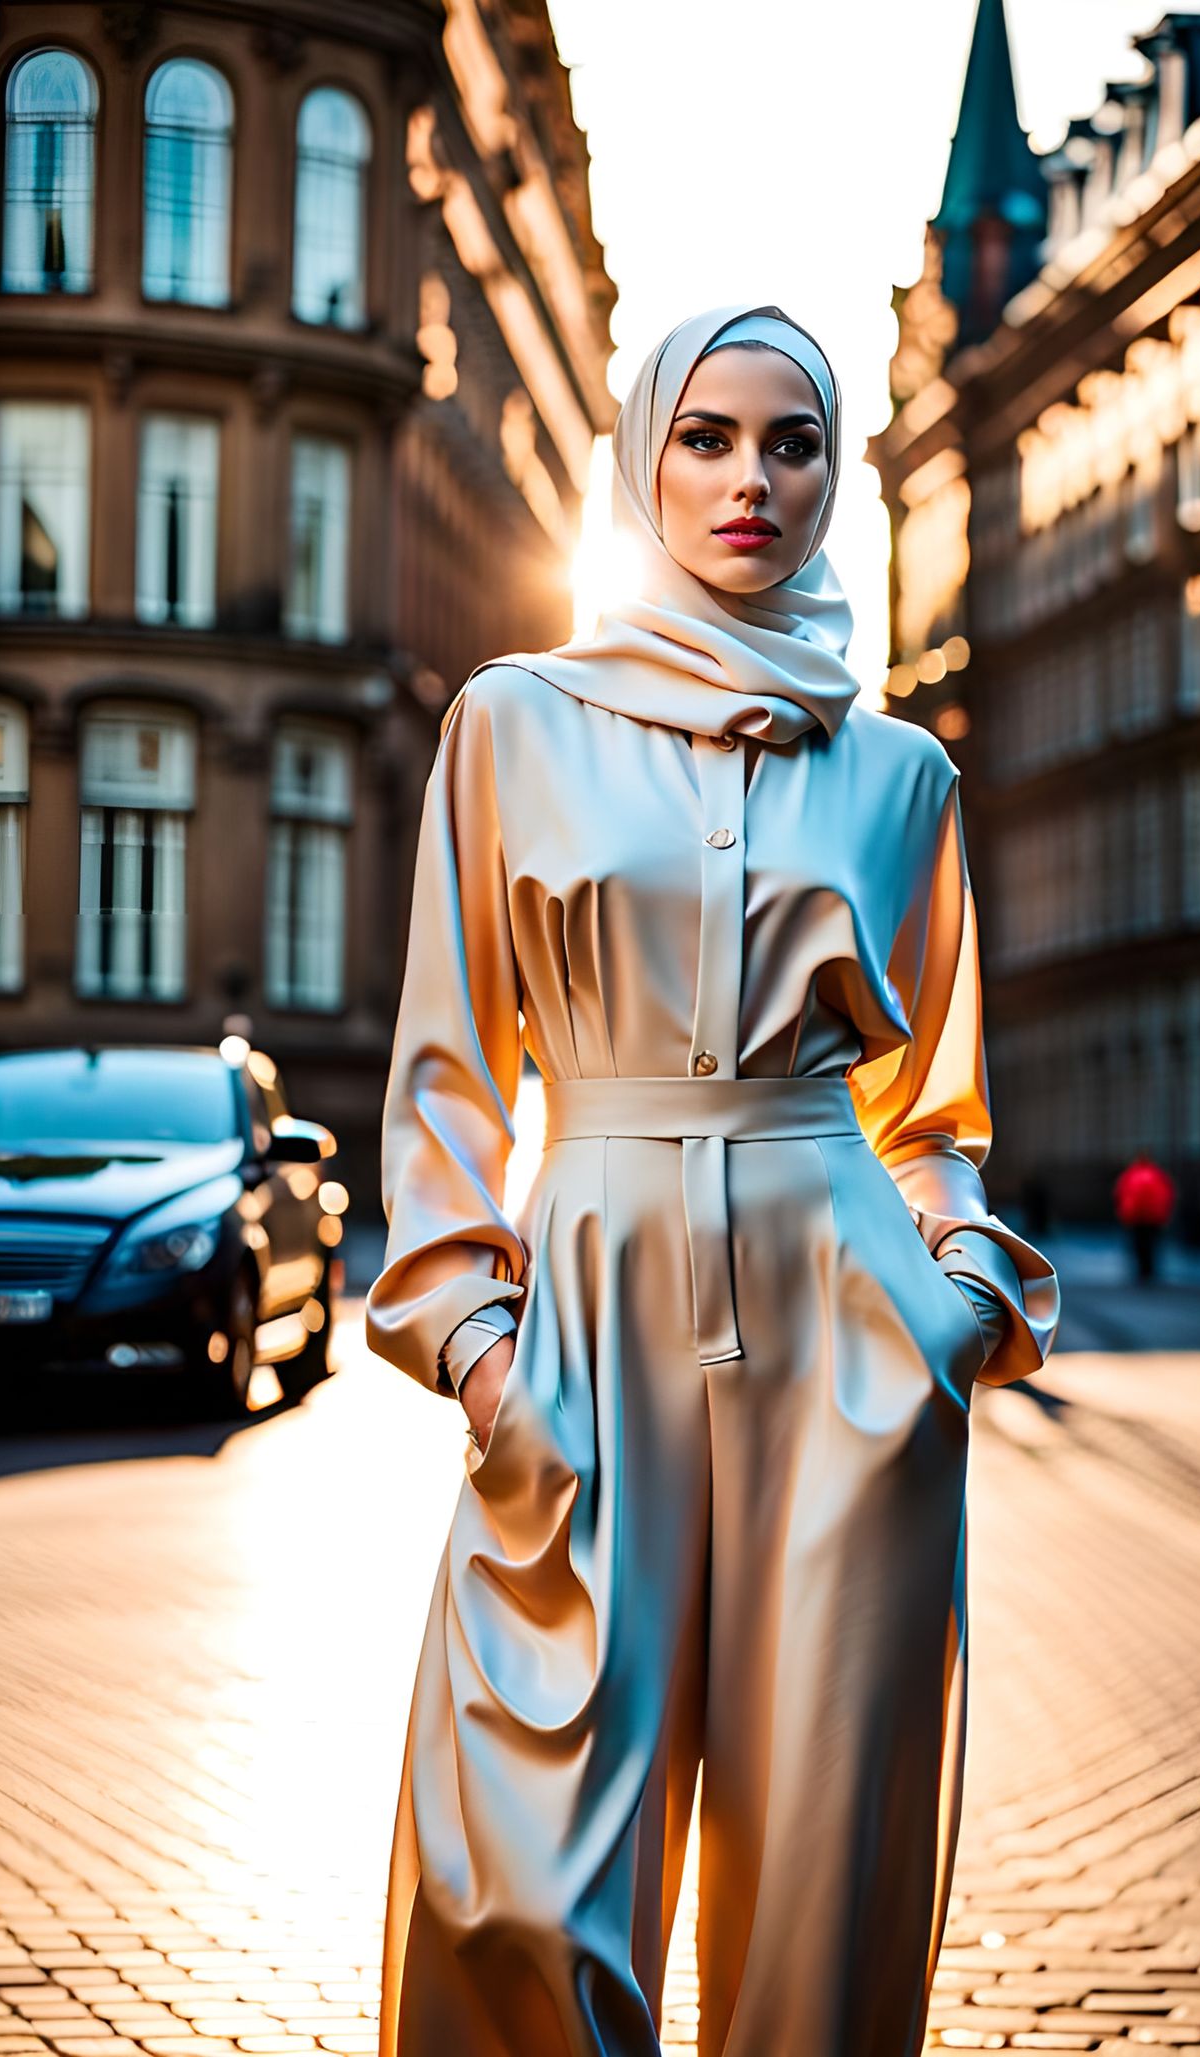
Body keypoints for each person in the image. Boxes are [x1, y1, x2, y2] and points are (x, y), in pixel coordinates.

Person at [365, 304, 1062, 2057]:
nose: (753, 477)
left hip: (851, 1354)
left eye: (795, 441)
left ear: (838, 473)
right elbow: (450, 1067)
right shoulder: (512, 723)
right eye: (710, 436)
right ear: (643, 458)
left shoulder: (904, 774)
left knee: (828, 1891)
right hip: (584, 1342)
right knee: (521, 1876)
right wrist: (484, 1353)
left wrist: (958, 1301)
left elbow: (933, 1111)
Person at [1113, 1152, 1176, 1283]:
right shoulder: (1157, 1174)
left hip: (1135, 1216)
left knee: (1138, 1244)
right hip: (1154, 1216)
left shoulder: (1130, 1174)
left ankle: (1141, 1270)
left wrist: (1124, 1214)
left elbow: (1121, 1194)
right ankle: (1150, 1269)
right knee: (1152, 1244)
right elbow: (1167, 1195)